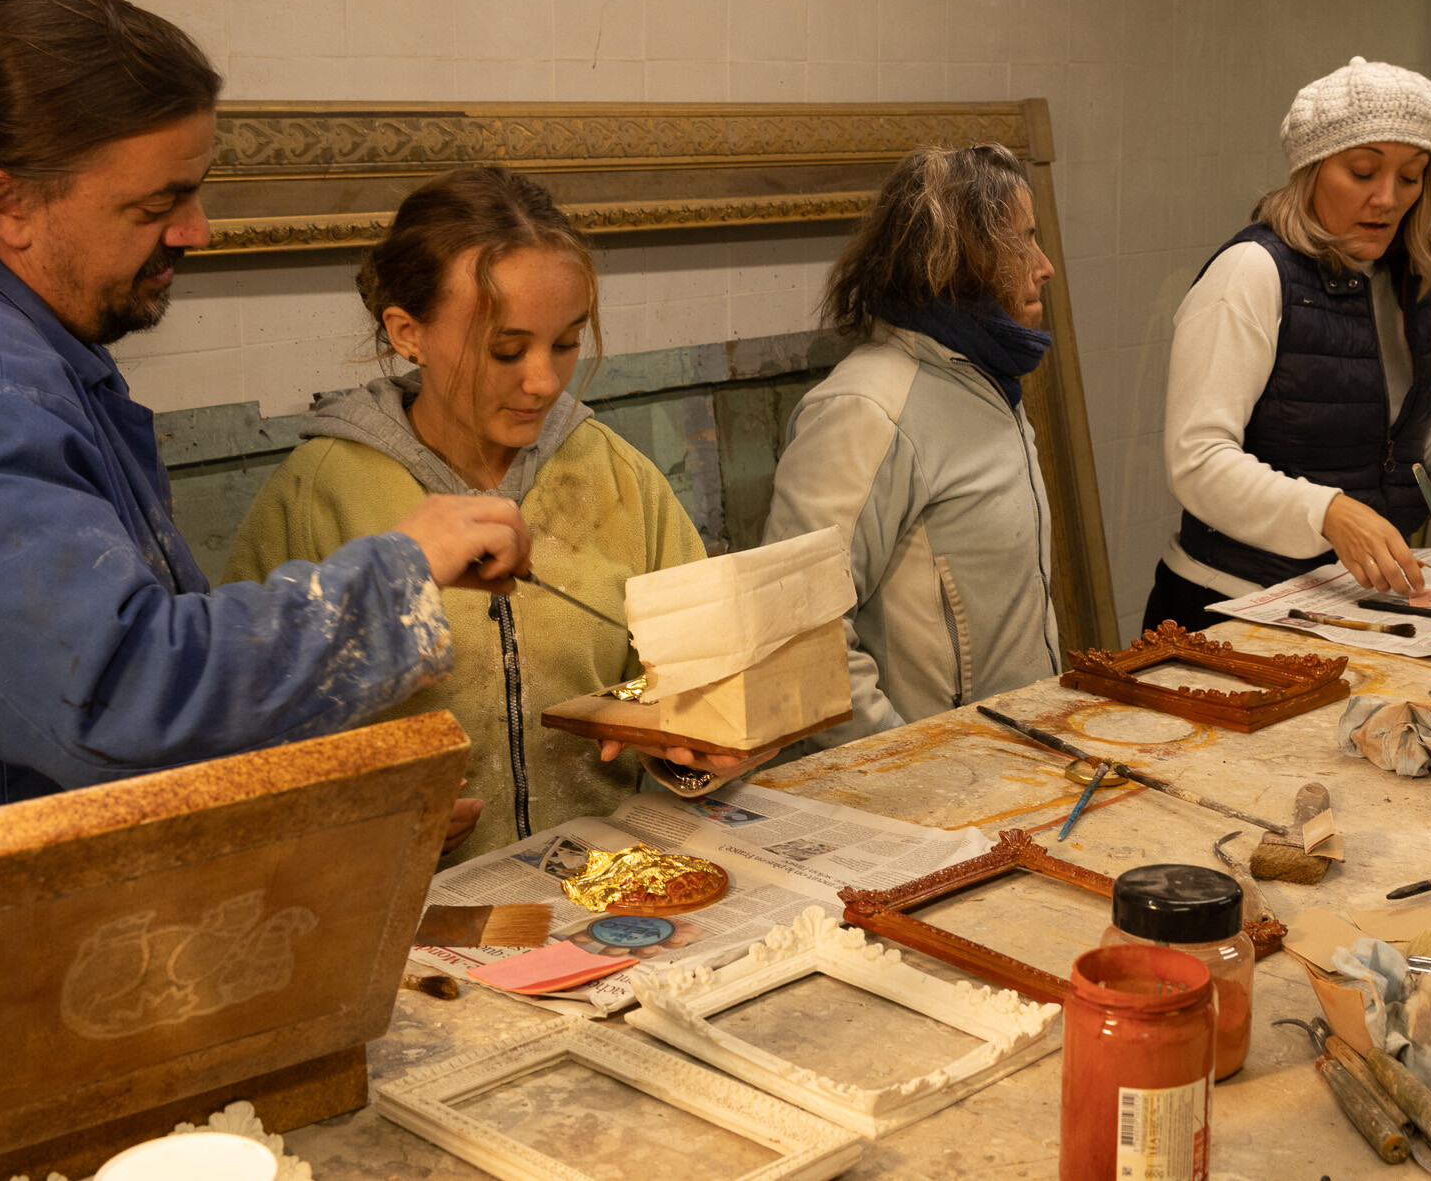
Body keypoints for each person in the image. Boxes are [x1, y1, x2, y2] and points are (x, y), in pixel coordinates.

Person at [0, 0, 530, 976]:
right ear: (5, 203)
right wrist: (396, 572)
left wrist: (321, 808)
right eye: (157, 203)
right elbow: (115, 697)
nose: (196, 230)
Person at [224, 165, 721, 860]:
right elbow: (241, 745)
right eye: (506, 349)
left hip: (614, 887)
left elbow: (705, 682)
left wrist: (695, 746)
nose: (544, 380)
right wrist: (359, 814)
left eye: (567, 342)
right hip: (410, 912)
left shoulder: (618, 477)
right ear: (408, 332)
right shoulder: (317, 495)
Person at [1149, 56, 1431, 631]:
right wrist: (1328, 511)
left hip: (1349, 602)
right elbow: (1198, 463)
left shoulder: (1413, 282)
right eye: (1364, 172)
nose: (1388, 198)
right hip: (1229, 604)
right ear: (1311, 170)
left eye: (1411, 176)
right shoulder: (1251, 273)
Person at [763, 143, 1062, 745]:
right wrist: (909, 764)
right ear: (965, 259)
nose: (1044, 264)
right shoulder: (866, 409)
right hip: (934, 795)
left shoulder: (986, 379)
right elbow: (796, 634)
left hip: (1014, 765)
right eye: (1021, 241)